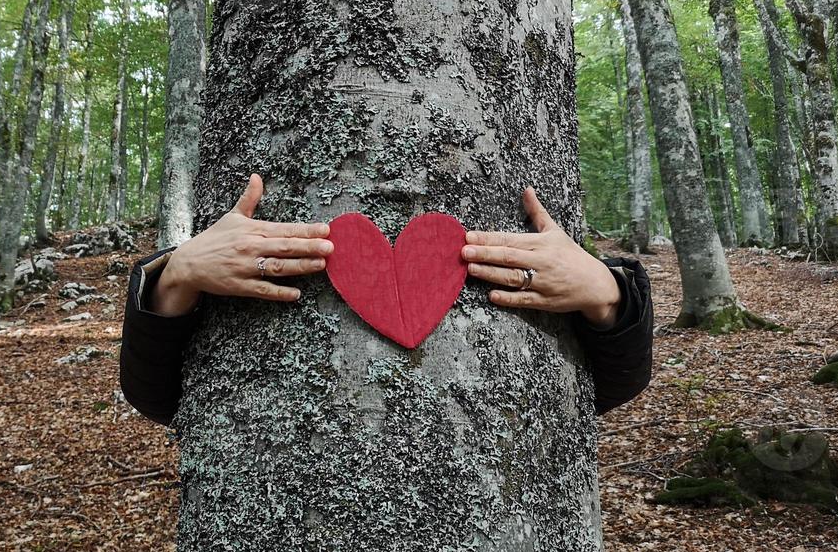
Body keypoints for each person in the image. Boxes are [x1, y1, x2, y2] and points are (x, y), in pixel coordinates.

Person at [120, 174, 652, 425]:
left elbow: (606, 389)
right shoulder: (201, 269)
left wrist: (609, 295)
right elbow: (158, 397)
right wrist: (173, 280)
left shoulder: (565, 271)